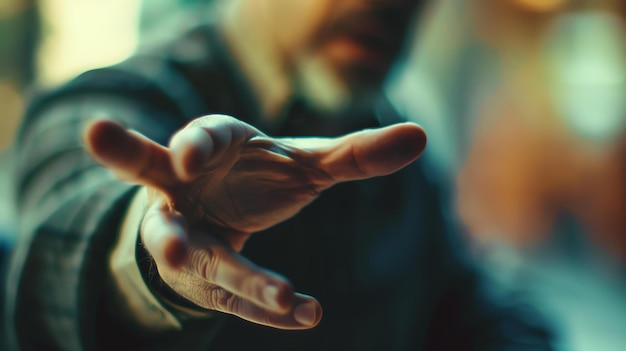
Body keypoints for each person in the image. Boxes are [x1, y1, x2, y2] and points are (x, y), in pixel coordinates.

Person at [4, 0, 553, 350]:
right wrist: (153, 260)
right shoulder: (117, 103)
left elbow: (464, 303)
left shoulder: (394, 154)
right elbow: (63, 241)